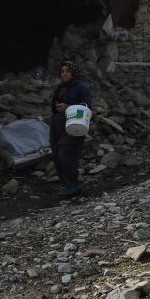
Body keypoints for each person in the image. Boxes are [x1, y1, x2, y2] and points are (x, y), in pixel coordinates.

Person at [50, 60, 92, 197]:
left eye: (67, 71)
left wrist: (69, 108)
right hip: (58, 124)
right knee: (57, 153)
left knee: (65, 151)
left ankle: (73, 184)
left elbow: (86, 106)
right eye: (62, 71)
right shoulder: (61, 87)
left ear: (73, 72)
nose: (64, 74)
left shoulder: (81, 87)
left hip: (74, 124)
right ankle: (67, 184)